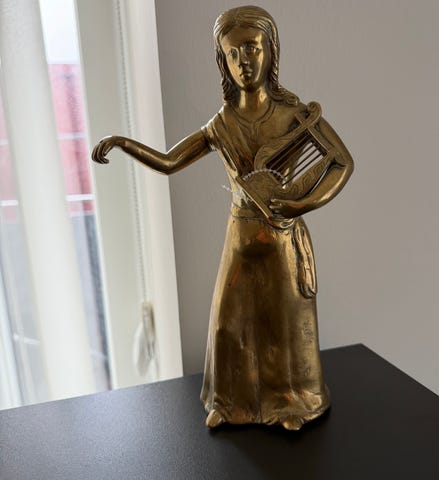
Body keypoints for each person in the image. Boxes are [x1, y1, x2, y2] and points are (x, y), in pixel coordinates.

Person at [92, 5, 353, 430]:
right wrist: (123, 142)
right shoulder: (222, 123)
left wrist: (299, 204)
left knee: (284, 325)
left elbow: (341, 162)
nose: (243, 61)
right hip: (241, 236)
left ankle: (292, 403)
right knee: (229, 323)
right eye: (232, 53)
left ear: (271, 51)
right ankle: (230, 403)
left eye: (251, 48)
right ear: (222, 62)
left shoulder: (294, 116)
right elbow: (169, 161)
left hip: (281, 238)